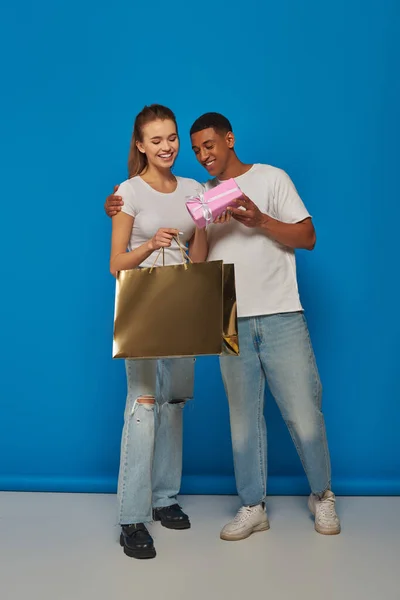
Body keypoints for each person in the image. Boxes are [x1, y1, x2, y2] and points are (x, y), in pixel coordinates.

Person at [105, 112, 341, 541]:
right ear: (140, 144)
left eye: (187, 142)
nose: (193, 153)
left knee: (292, 413)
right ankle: (155, 514)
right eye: (191, 148)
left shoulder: (236, 184)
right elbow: (146, 258)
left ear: (229, 140)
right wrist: (130, 220)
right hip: (189, 312)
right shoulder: (163, 193)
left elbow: (299, 238)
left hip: (239, 312)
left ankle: (318, 494)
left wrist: (240, 223)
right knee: (192, 416)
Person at [110, 104, 207, 559]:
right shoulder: (128, 191)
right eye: (156, 140)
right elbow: (116, 264)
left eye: (171, 138)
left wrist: (203, 230)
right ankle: (132, 515)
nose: (166, 146)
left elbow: (200, 253)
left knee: (174, 403)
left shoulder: (193, 188)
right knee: (144, 404)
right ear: (140, 145)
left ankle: (164, 498)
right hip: (144, 307)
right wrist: (150, 244)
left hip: (183, 303)